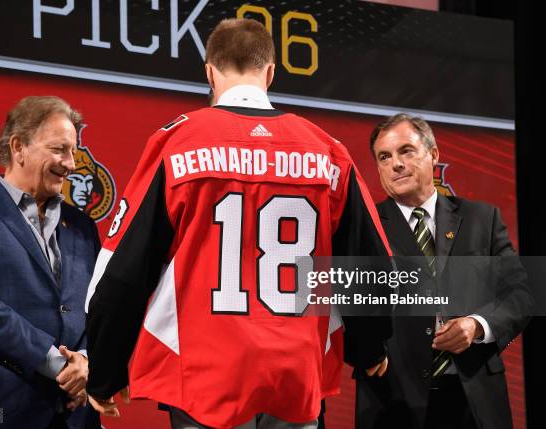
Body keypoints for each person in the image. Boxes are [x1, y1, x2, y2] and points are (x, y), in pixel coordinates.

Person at [85, 18, 391, 429]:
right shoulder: (327, 150)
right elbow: (373, 268)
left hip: (204, 381)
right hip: (295, 378)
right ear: (270, 73)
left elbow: (123, 273)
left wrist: (105, 370)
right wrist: (370, 350)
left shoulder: (178, 143)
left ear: (209, 72)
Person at [355, 113, 533, 429]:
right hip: (394, 400)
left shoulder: (483, 219)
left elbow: (521, 295)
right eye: (384, 157)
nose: (395, 164)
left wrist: (477, 326)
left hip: (474, 399)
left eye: (406, 151)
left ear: (434, 154)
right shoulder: (365, 225)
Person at [0, 96, 101, 428]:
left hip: (75, 414)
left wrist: (85, 362)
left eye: (73, 152)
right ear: (18, 147)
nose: (70, 164)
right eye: (59, 149)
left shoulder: (83, 227)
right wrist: (59, 365)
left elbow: (98, 308)